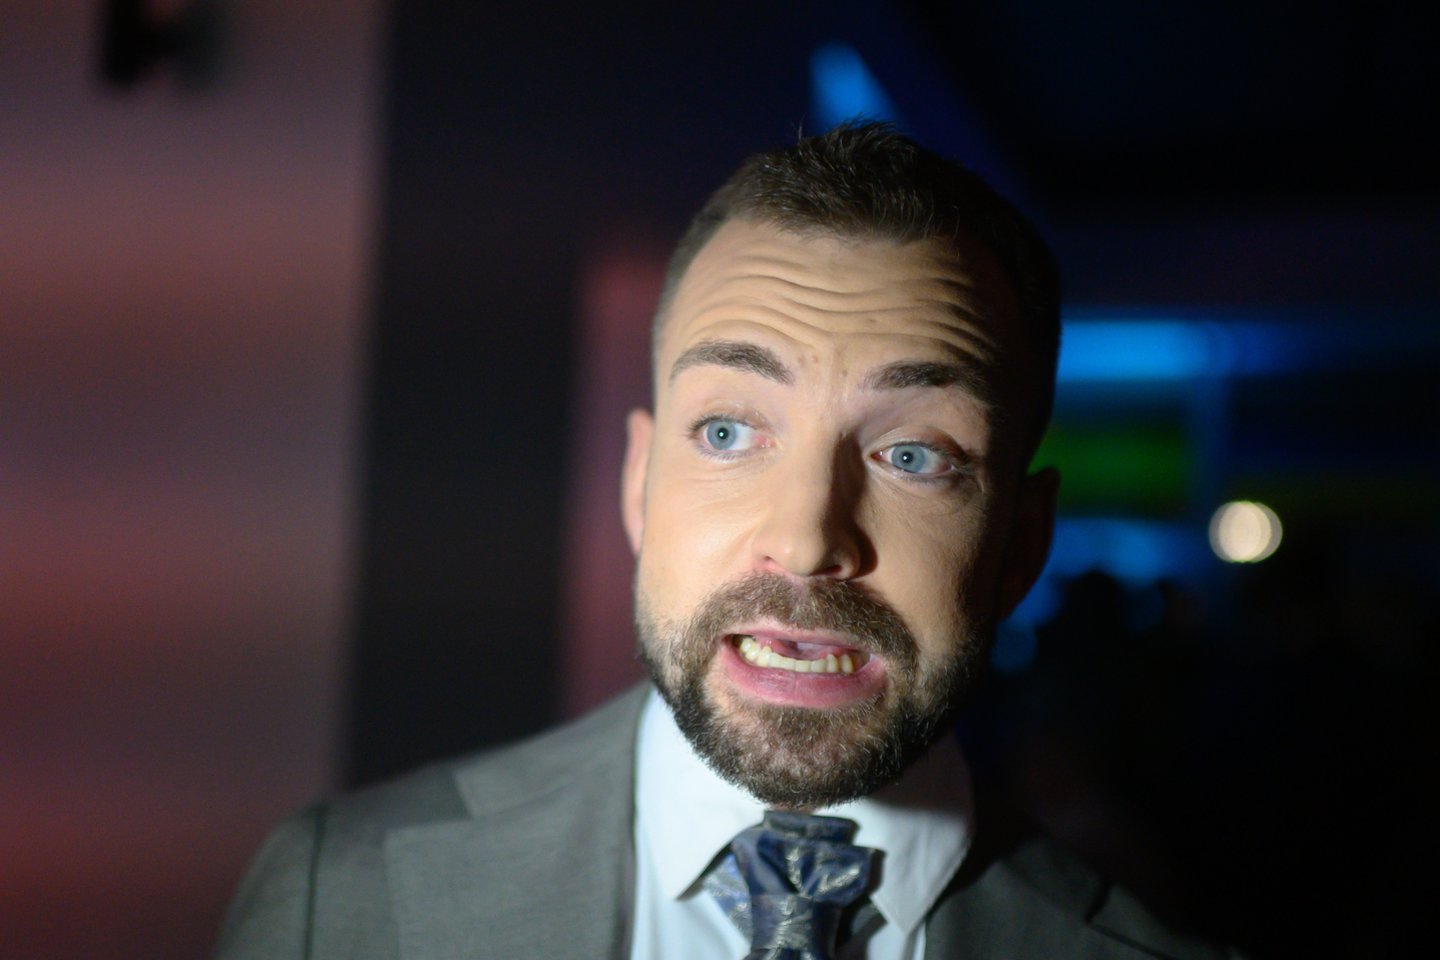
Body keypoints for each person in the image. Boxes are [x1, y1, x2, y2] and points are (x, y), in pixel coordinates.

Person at [213, 123, 1234, 959]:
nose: (804, 540)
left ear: (1021, 543)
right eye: (728, 433)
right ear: (638, 484)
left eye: (913, 455)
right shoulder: (334, 899)